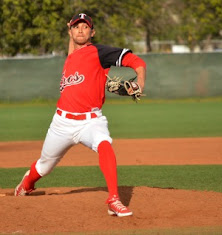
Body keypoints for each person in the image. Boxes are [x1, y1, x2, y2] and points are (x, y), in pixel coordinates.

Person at [14, 13, 146, 217]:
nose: (81, 30)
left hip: (90, 121)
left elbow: (136, 61)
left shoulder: (99, 52)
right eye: (76, 27)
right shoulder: (72, 55)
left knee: (104, 143)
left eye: (85, 27)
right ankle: (27, 183)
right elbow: (74, 48)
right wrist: (70, 35)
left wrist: (140, 81)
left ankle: (113, 199)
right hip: (61, 123)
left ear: (92, 32)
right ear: (70, 31)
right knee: (44, 166)